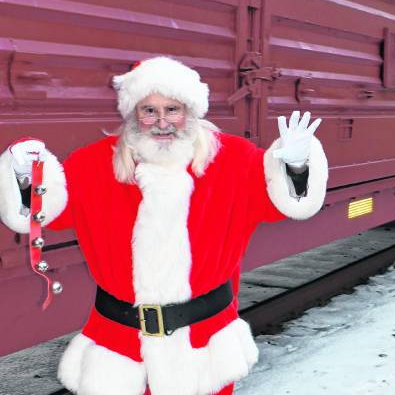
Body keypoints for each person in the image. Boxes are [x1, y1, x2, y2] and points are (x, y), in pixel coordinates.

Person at [0, 57, 329, 395]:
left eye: (172, 109)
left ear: (190, 111)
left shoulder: (233, 159)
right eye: (149, 110)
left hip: (204, 346)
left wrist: (296, 166)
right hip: (121, 349)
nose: (161, 122)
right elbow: (47, 210)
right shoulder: (94, 163)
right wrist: (25, 175)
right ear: (132, 114)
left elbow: (279, 201)